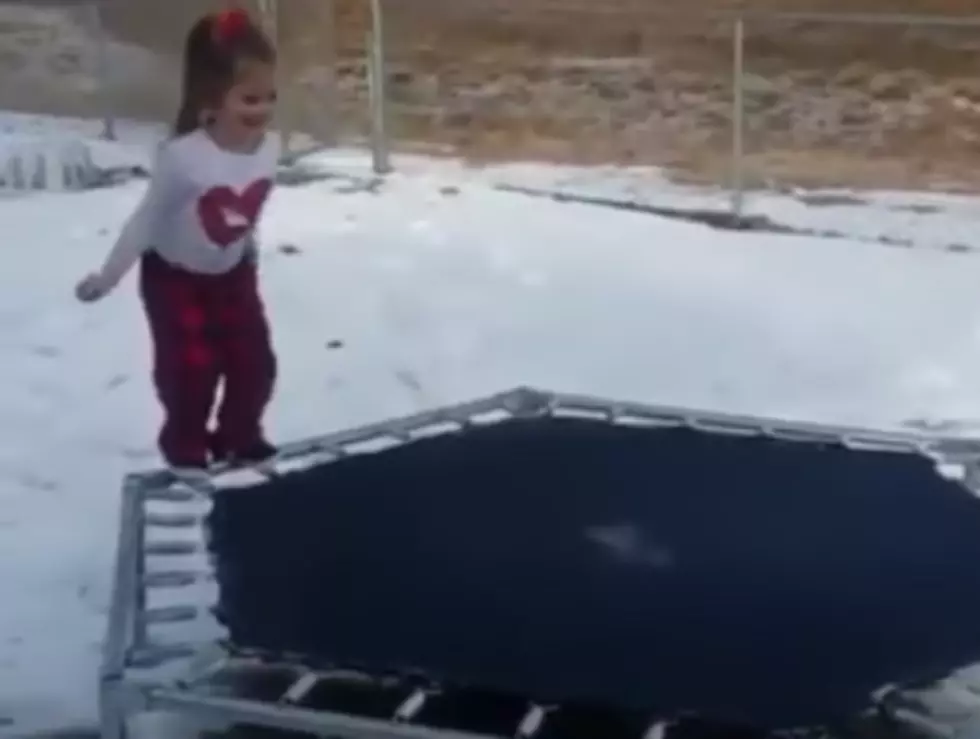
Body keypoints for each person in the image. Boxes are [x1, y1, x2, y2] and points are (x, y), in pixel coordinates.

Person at [75, 8, 280, 476]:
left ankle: (239, 436)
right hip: (175, 280)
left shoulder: (268, 148)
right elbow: (147, 220)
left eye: (270, 97)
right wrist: (107, 278)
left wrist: (248, 251)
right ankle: (185, 443)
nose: (263, 110)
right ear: (213, 98)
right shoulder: (184, 158)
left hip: (232, 273)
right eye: (250, 99)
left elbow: (251, 206)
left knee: (256, 364)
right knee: (192, 371)